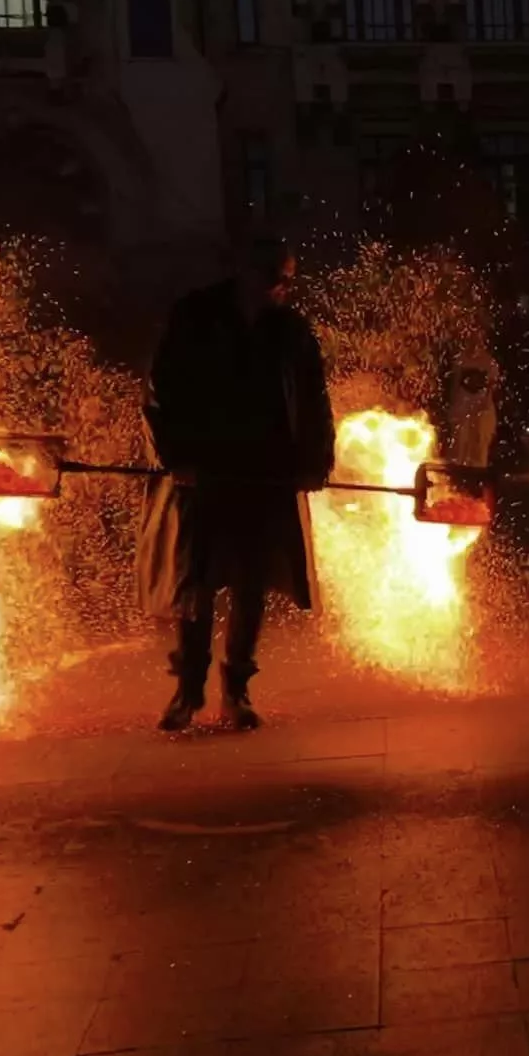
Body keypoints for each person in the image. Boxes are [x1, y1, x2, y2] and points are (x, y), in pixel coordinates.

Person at [137, 238, 334, 732]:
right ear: (244, 270)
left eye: (286, 278)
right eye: (271, 275)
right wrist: (177, 457)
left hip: (267, 468)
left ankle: (237, 689)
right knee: (197, 581)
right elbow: (161, 390)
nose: (279, 286)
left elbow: (314, 399)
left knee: (251, 581)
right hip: (205, 468)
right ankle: (188, 690)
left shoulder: (290, 329)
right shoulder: (196, 316)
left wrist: (315, 462)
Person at [447, 347, 499, 469]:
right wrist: (454, 402)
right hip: (463, 401)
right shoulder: (461, 360)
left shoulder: (489, 362)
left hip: (481, 402)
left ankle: (477, 469)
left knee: (479, 439)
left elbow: (492, 386)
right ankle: (458, 468)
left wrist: (486, 402)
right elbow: (455, 383)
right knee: (460, 438)